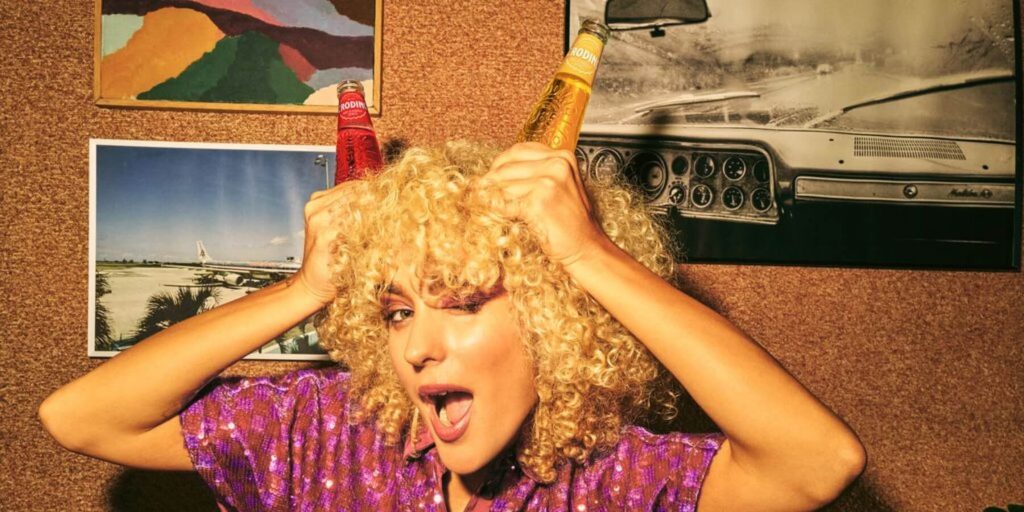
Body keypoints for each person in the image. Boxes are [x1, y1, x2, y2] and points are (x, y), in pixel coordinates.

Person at [40, 141, 866, 511]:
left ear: (555, 323)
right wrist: (305, 288)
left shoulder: (614, 480)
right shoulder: (325, 429)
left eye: (464, 302)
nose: (417, 345)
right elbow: (79, 418)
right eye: (397, 311)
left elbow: (817, 462)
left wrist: (587, 255)